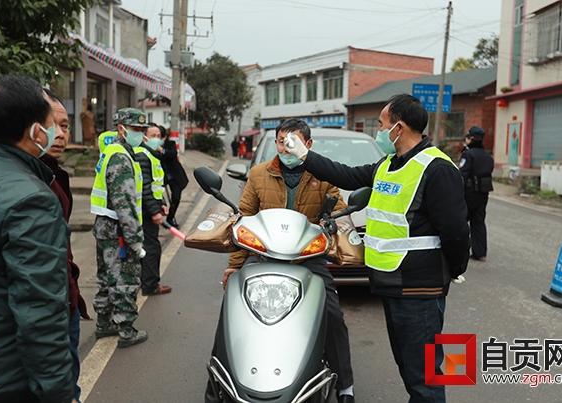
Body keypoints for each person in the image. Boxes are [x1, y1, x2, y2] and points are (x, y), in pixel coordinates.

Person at [284, 95, 469, 403]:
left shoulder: (436, 168)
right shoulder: (388, 164)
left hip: (419, 289)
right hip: (391, 283)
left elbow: (456, 231)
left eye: (382, 125)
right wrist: (305, 156)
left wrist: (455, 268)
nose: (379, 131)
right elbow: (346, 174)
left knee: (425, 376)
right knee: (411, 370)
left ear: (399, 127)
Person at [209, 119, 356, 403]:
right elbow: (244, 218)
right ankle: (217, 382)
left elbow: (338, 210)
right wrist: (235, 265)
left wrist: (334, 227)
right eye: (281, 141)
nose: (285, 147)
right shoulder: (259, 174)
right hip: (261, 257)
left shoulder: (323, 175)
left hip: (308, 259)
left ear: (308, 145)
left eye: (293, 142)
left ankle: (345, 384)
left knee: (332, 315)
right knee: (233, 311)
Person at [0, 75, 73, 403]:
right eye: (50, 122)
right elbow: (39, 312)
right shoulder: (31, 199)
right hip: (2, 379)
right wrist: (59, 393)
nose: (56, 132)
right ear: (34, 131)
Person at [42, 89, 91, 403]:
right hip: (49, 311)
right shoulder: (26, 183)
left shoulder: (56, 174)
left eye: (66, 125)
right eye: (53, 125)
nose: (60, 134)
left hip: (67, 298)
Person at [90, 107, 148, 348]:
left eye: (143, 130)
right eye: (136, 129)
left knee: (105, 276)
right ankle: (126, 330)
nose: (141, 134)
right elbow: (125, 204)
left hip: (105, 227)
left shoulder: (111, 151)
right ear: (122, 129)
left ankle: (104, 324)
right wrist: (135, 240)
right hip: (118, 230)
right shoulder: (121, 157)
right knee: (125, 278)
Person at [135, 123, 172, 296]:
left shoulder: (152, 154)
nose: (157, 138)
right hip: (145, 211)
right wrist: (154, 211)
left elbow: (157, 185)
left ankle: (147, 282)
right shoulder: (143, 155)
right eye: (153, 135)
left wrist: (162, 202)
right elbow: (145, 188)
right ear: (145, 137)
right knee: (151, 247)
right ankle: (150, 285)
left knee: (149, 246)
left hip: (150, 208)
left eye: (159, 135)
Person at [459, 126, 494, 262]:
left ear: (471, 139)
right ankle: (480, 253)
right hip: (483, 193)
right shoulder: (488, 156)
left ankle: (459, 251)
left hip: (469, 193)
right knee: (478, 222)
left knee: (461, 221)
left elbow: (463, 174)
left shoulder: (468, 154)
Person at [158, 125, 188, 228]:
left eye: (159, 137)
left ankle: (170, 218)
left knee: (176, 198)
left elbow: (173, 153)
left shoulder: (170, 144)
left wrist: (162, 150)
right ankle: (161, 217)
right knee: (159, 199)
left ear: (164, 137)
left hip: (174, 176)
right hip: (161, 178)